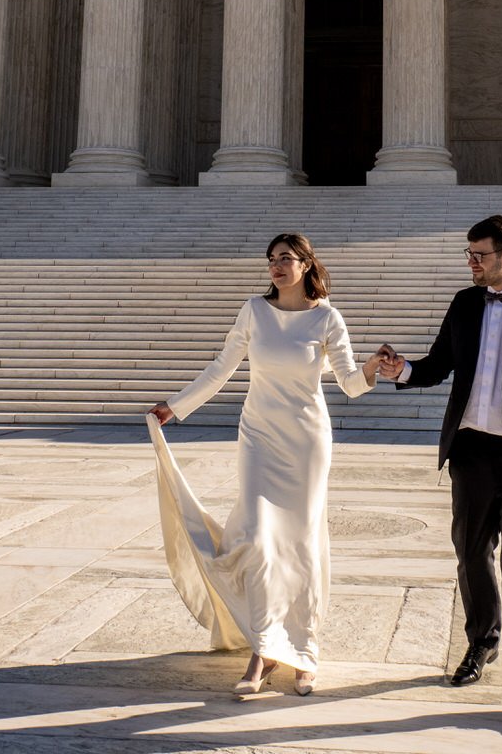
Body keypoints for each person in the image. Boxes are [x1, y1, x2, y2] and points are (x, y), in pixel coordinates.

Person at [148, 231, 385, 698]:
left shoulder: (327, 318)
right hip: (259, 436)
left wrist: (375, 365)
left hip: (307, 441)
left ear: (306, 264)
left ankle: (305, 649)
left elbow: (351, 384)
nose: (276, 266)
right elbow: (221, 367)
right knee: (258, 537)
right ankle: (263, 648)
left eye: (285, 259)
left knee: (300, 544)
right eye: (271, 259)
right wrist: (175, 406)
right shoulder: (254, 311)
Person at [379, 213, 502, 736]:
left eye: (479, 255)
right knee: (471, 555)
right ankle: (482, 642)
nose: (471, 263)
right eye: (468, 254)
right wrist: (401, 369)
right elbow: (440, 364)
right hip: (470, 454)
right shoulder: (467, 303)